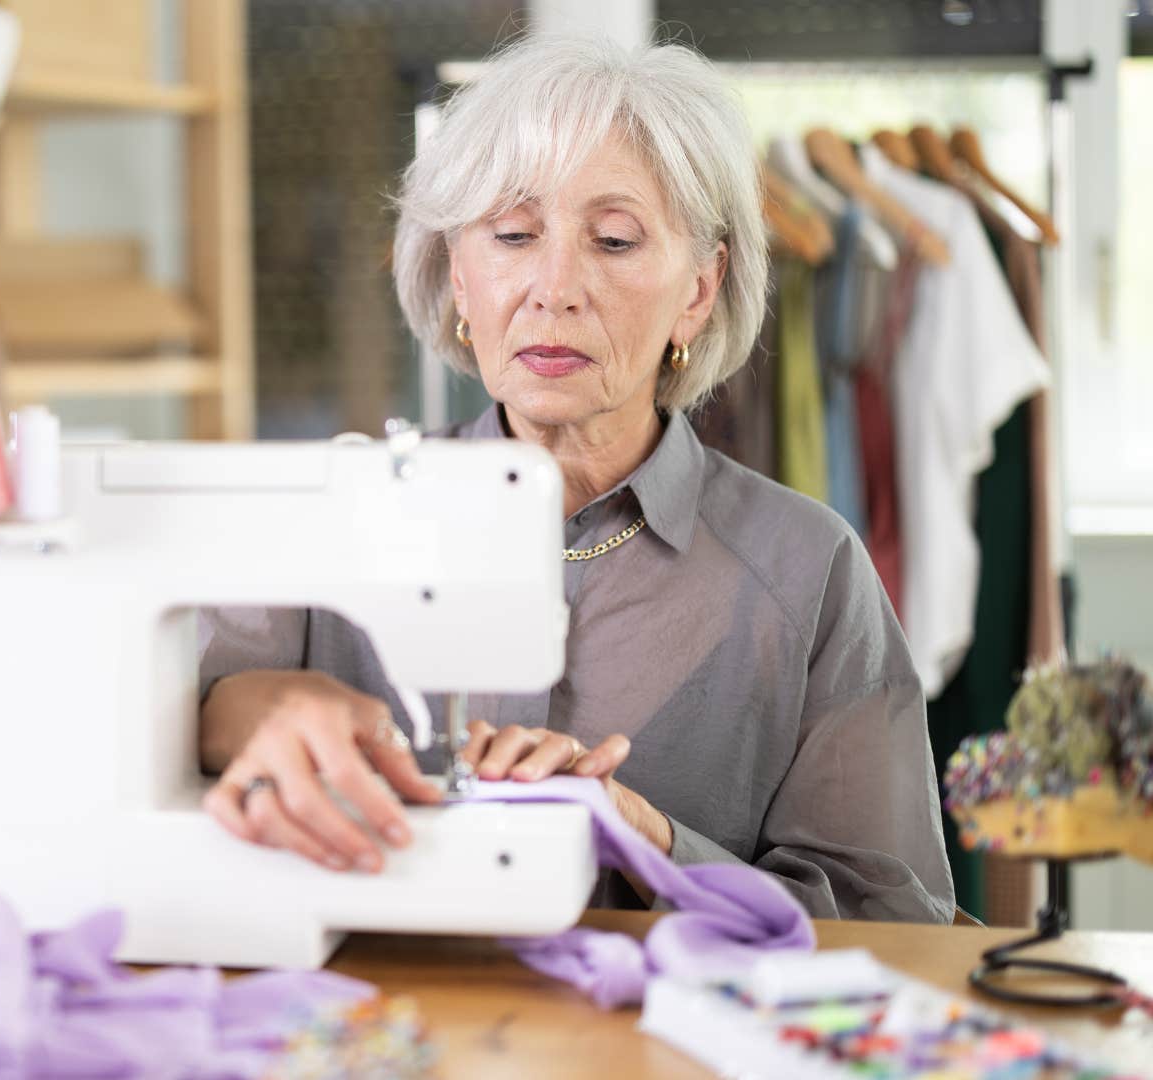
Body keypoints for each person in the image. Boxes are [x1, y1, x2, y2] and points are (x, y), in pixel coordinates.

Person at [197, 34, 954, 922]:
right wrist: (276, 706)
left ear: (699, 291)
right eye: (513, 235)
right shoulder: (333, 514)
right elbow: (170, 716)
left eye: (615, 240)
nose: (554, 287)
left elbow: (894, 917)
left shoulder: (807, 572)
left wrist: (654, 844)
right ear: (459, 280)